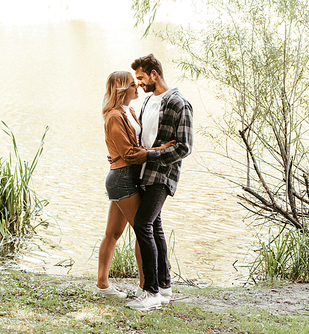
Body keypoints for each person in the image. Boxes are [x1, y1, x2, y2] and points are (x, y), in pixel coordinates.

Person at [95, 71, 174, 298]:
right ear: (121, 90)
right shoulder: (113, 116)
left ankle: (102, 285)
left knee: (113, 233)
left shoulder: (128, 111)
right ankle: (145, 287)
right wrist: (160, 150)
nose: (137, 87)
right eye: (132, 85)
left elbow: (134, 144)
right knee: (143, 230)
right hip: (123, 178)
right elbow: (128, 153)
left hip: (128, 176)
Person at [124, 54, 193, 311]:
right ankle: (164, 287)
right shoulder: (148, 102)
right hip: (144, 172)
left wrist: (151, 154)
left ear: (154, 74)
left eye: (141, 78)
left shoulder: (178, 103)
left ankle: (150, 291)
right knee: (155, 227)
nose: (139, 84)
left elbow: (184, 147)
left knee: (143, 224)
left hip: (163, 175)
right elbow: (145, 137)